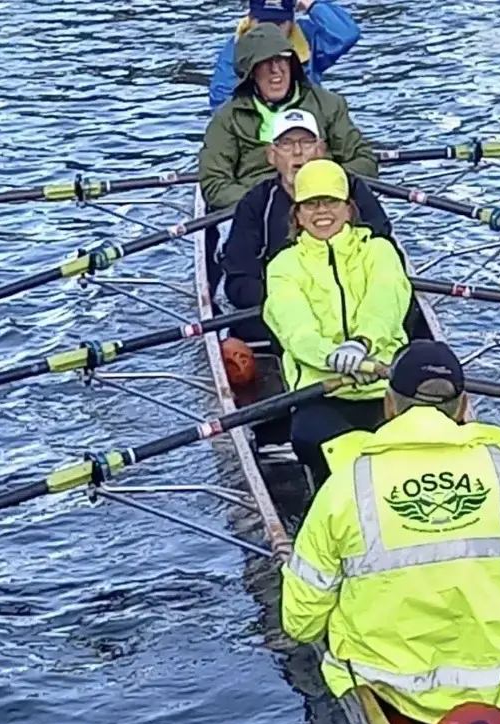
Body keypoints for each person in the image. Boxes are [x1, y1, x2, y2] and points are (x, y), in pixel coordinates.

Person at [281, 339, 500, 724]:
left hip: (384, 681)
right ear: (463, 407)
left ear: (389, 407)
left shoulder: (345, 486)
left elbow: (301, 624)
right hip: (498, 677)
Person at [262, 158, 411, 484]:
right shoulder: (283, 266)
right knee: (332, 451)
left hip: (387, 390)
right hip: (320, 395)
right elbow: (296, 331)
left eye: (330, 201)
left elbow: (385, 304)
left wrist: (362, 343)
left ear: (348, 208)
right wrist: (333, 356)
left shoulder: (379, 251)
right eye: (311, 204)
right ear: (297, 215)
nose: (321, 212)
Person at [223, 108, 391, 343]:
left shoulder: (352, 190)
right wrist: (301, 305)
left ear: (321, 150)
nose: (298, 152)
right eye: (287, 144)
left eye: (306, 142)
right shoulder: (256, 204)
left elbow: (386, 259)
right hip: (283, 320)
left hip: (356, 314)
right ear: (272, 155)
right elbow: (238, 285)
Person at [198, 22, 377, 211]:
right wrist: (269, 201)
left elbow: (364, 160)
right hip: (259, 211)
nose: (276, 70)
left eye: (282, 59)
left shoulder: (328, 104)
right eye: (265, 62)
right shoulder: (227, 119)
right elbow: (215, 184)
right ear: (251, 73)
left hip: (325, 203)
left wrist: (324, 186)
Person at [209, 0, 361, 112]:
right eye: (264, 22)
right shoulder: (236, 48)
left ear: (292, 21)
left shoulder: (308, 39)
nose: (271, 30)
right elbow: (221, 102)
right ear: (251, 19)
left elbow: (347, 34)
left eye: (279, 23)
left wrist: (312, 5)